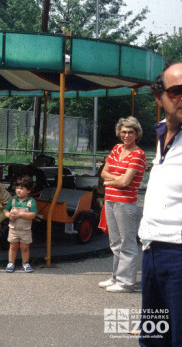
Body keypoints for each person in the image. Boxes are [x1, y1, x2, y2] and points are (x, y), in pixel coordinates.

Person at [138, 62, 182, 346]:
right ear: (159, 96)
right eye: (177, 91)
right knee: (153, 338)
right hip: (151, 252)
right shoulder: (160, 133)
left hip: (179, 255)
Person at [98, 116, 146, 293]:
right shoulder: (117, 149)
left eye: (130, 132)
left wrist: (110, 181)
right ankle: (116, 277)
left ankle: (126, 282)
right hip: (110, 200)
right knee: (115, 241)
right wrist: (113, 180)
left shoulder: (138, 154)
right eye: (124, 131)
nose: (126, 135)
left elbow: (126, 182)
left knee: (127, 242)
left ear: (137, 134)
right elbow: (103, 172)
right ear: (119, 133)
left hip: (125, 203)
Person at [3, 175, 37, 273]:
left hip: (25, 230)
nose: (18, 190)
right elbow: (5, 211)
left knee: (25, 247)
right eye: (17, 188)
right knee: (13, 246)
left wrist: (21, 214)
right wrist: (9, 215)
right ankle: (11, 262)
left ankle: (25, 263)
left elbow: (33, 215)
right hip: (13, 229)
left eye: (21, 189)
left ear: (29, 190)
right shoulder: (13, 200)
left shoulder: (31, 202)